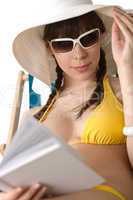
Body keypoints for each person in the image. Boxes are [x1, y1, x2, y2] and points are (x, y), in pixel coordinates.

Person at [1, 0, 133, 199]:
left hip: (106, 192)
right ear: (49, 49)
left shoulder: (123, 88)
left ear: (102, 37)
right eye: (63, 44)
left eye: (88, 39)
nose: (79, 55)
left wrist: (126, 69)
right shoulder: (33, 117)